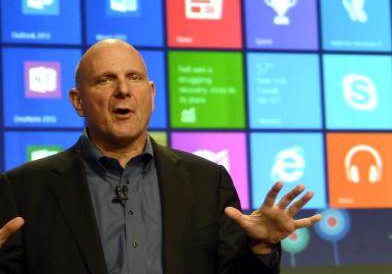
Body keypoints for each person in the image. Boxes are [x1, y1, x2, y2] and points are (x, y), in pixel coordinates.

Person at [0, 39, 321, 273]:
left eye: (134, 78)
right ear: (78, 101)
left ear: (151, 95)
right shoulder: (23, 190)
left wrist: (261, 248)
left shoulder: (208, 182)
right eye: (105, 79)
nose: (123, 90)